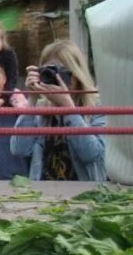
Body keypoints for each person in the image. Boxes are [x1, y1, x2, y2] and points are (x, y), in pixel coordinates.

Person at [10, 39, 106, 182]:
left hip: (84, 196)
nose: (56, 78)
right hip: (46, 197)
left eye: (62, 72)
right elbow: (19, 150)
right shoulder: (40, 109)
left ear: (77, 74)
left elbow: (92, 155)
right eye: (50, 71)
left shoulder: (97, 107)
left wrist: (69, 109)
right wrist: (32, 99)